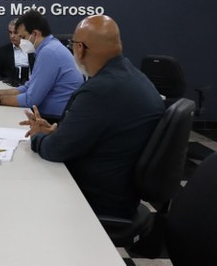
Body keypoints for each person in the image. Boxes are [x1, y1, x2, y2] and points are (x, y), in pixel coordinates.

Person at [22, 15, 165, 218]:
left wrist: (38, 136)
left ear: (80, 49)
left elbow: (56, 150)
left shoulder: (100, 90)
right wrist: (58, 131)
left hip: (96, 198)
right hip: (121, 190)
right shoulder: (132, 77)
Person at [0, 10, 83, 118]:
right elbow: (28, 87)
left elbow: (31, 99)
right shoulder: (48, 48)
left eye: (23, 37)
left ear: (35, 34)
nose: (21, 41)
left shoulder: (49, 52)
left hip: (53, 119)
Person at [0, 18, 33, 84]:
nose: (12, 36)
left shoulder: (33, 50)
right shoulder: (2, 51)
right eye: (10, 33)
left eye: (15, 32)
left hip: (31, 87)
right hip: (9, 88)